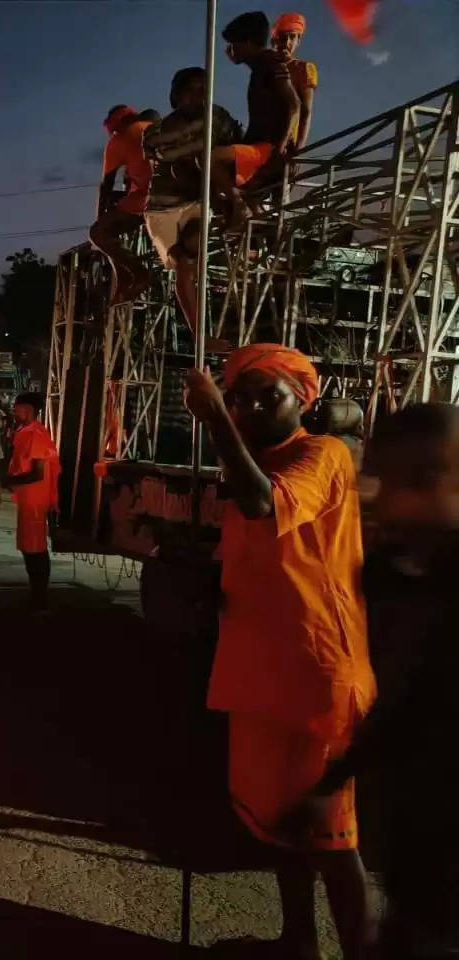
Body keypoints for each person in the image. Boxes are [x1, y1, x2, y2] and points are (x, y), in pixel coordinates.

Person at [183, 344, 374, 960]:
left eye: (273, 395)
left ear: (303, 400)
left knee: (332, 839)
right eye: (242, 397)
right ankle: (299, 942)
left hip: (316, 672)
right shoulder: (247, 466)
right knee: (281, 827)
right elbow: (249, 543)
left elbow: (266, 505)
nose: (256, 406)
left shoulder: (324, 454)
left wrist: (215, 417)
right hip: (262, 670)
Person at [289, 404, 458, 958]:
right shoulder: (410, 576)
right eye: (378, 479)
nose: (381, 501)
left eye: (413, 481)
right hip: (419, 880)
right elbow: (410, 703)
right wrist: (330, 783)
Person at [144, 66, 243, 349]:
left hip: (197, 203)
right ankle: (200, 334)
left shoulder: (219, 119)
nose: (199, 97)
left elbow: (232, 147)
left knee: (192, 257)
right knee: (184, 266)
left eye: (204, 91)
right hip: (164, 209)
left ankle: (203, 334)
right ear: (177, 96)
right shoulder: (158, 132)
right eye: (192, 91)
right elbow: (177, 163)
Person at [211, 12, 301, 226]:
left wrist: (279, 150)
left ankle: (241, 206)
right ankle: (256, 224)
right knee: (224, 191)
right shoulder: (261, 65)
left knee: (211, 157)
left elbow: (294, 105)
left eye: (234, 44)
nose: (231, 50)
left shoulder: (270, 62)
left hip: (266, 150)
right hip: (256, 147)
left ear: (249, 43)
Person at [91, 105, 155, 305]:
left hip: (151, 200)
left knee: (100, 233)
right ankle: (125, 277)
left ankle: (137, 272)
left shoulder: (119, 140)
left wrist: (101, 219)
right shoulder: (156, 127)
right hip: (184, 193)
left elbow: (106, 186)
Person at [3, 393, 60, 609]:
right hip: (28, 499)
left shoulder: (36, 434)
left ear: (27, 409)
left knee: (35, 550)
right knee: (29, 548)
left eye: (16, 408)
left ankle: (40, 598)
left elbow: (38, 473)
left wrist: (11, 479)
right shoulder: (25, 432)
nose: (14, 412)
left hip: (35, 500)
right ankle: (37, 595)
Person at [272, 12, 318, 151]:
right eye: (283, 37)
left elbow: (306, 112)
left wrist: (299, 149)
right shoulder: (267, 67)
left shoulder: (303, 69)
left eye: (292, 37)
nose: (287, 43)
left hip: (287, 144)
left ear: (299, 40)